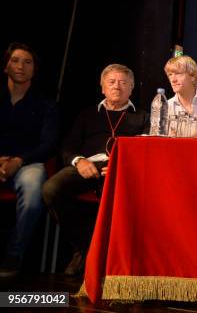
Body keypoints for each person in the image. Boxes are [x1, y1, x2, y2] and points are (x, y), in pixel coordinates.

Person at [42, 64, 148, 276]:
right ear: (102, 87)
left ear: (131, 88)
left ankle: (120, 262)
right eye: (111, 82)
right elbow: (68, 146)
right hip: (87, 167)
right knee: (51, 189)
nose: (117, 86)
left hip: (123, 172)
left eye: (123, 82)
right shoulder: (87, 115)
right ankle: (85, 245)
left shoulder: (144, 117)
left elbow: (146, 151)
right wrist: (79, 161)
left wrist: (121, 166)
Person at [0, 43, 59, 277]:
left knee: (35, 189)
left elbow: (49, 144)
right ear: (6, 66)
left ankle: (14, 254)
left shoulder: (46, 105)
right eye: (15, 60)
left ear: (34, 70)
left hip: (28, 163)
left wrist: (19, 160)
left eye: (27, 62)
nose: (21, 66)